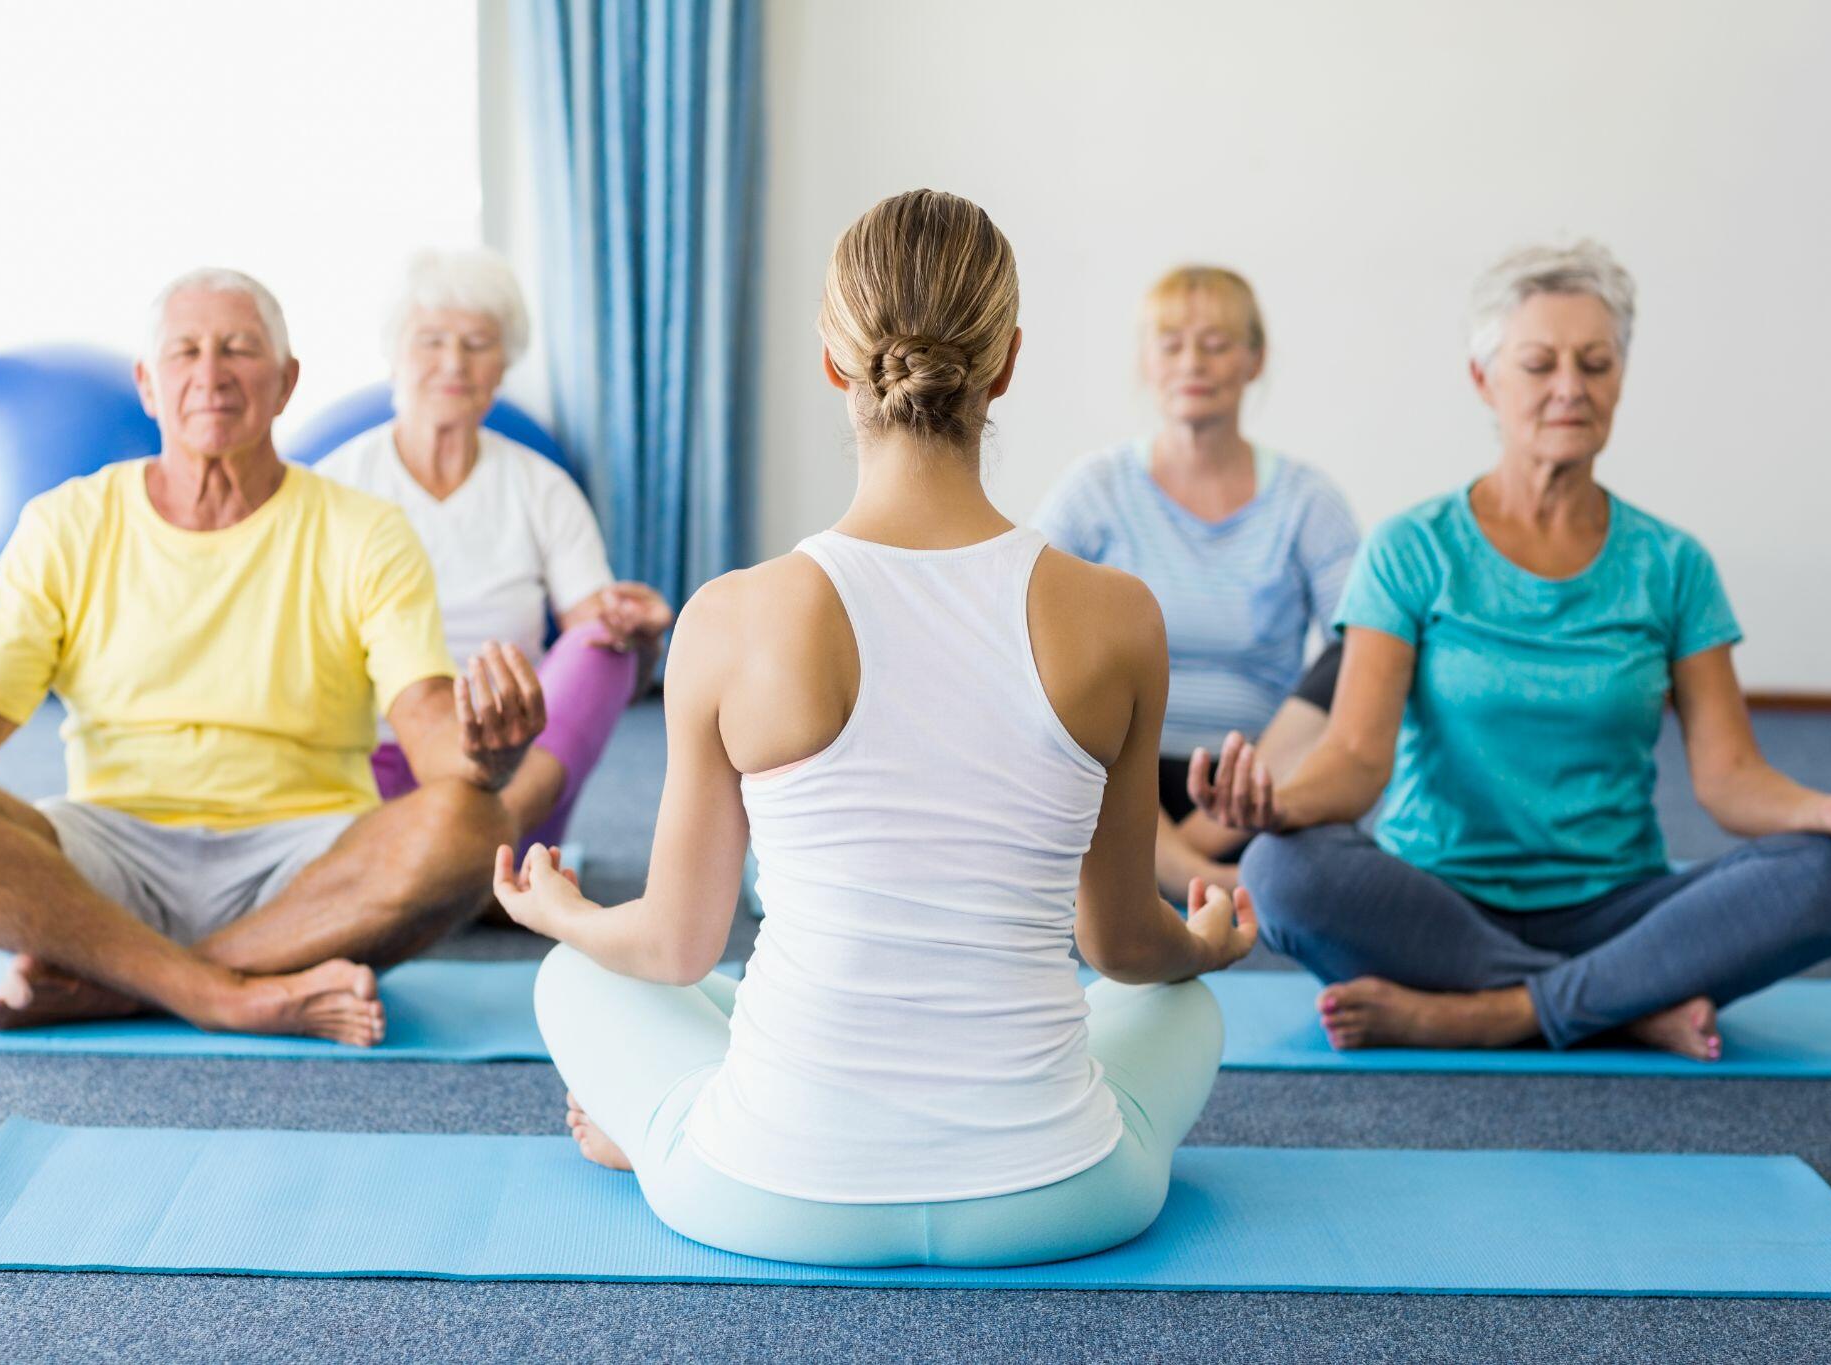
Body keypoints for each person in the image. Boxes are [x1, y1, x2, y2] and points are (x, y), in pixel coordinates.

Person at [494, 190, 1255, 1269]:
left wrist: (562, 912)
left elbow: (672, 946)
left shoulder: (731, 616)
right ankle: (693, 1122)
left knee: (577, 974)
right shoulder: (1116, 614)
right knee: (1182, 1009)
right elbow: (1120, 946)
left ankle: (658, 1139)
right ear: (1005, 365)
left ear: (830, 363)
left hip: (770, 1196)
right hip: (1064, 1198)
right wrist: (1206, 947)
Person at [0, 268, 543, 1045]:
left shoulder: (366, 531)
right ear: (146, 384)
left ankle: (126, 983)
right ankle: (225, 993)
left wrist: (487, 753)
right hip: (107, 852)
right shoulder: (66, 523)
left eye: (239, 349)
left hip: (307, 864)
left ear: (287, 381)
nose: (211, 374)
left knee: (474, 821)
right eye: (185, 351)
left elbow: (432, 735)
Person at [1190, 241, 1831, 1060]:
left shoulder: (1673, 564)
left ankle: (1495, 1011)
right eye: (1539, 363)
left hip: (1620, 904)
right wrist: (1277, 806)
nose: (1570, 387)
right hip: (1432, 901)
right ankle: (1617, 1003)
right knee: (1281, 871)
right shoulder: (1412, 547)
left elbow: (1728, 777)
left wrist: (1821, 810)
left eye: (1596, 363)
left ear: (1621, 378)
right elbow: (1358, 756)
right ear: (1486, 381)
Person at [316, 248, 672, 861]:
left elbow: (603, 644)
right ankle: (474, 865)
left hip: (516, 776)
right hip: (374, 771)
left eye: (478, 344)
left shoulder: (541, 486)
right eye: (431, 341)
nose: (454, 363)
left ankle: (466, 851)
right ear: (395, 354)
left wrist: (638, 632)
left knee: (603, 647)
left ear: (503, 366)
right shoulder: (336, 485)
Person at [1034, 266, 1358, 895]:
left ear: (1254, 360)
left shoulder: (1307, 500)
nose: (1194, 363)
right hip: (1115, 776)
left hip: (1260, 784)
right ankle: (1202, 879)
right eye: (1172, 343)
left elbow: (1360, 649)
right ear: (1145, 363)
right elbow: (1020, 619)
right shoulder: (1095, 488)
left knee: (1363, 646)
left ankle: (1180, 866)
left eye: (1216, 344)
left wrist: (1217, 817)